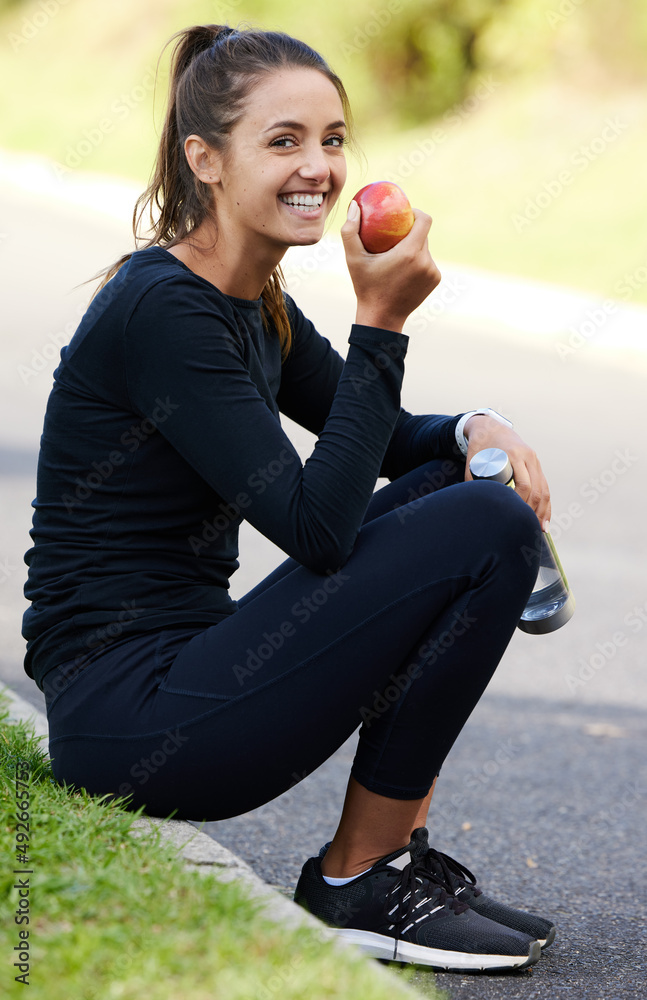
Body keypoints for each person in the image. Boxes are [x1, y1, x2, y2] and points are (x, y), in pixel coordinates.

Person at [23, 24, 556, 972]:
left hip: (185, 675)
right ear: (206, 159)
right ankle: (362, 880)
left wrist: (475, 426)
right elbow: (317, 528)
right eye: (284, 141)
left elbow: (384, 441)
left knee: (459, 488)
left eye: (333, 138)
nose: (320, 167)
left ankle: (381, 866)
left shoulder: (249, 293)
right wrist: (380, 322)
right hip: (130, 718)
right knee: (480, 524)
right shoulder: (165, 310)